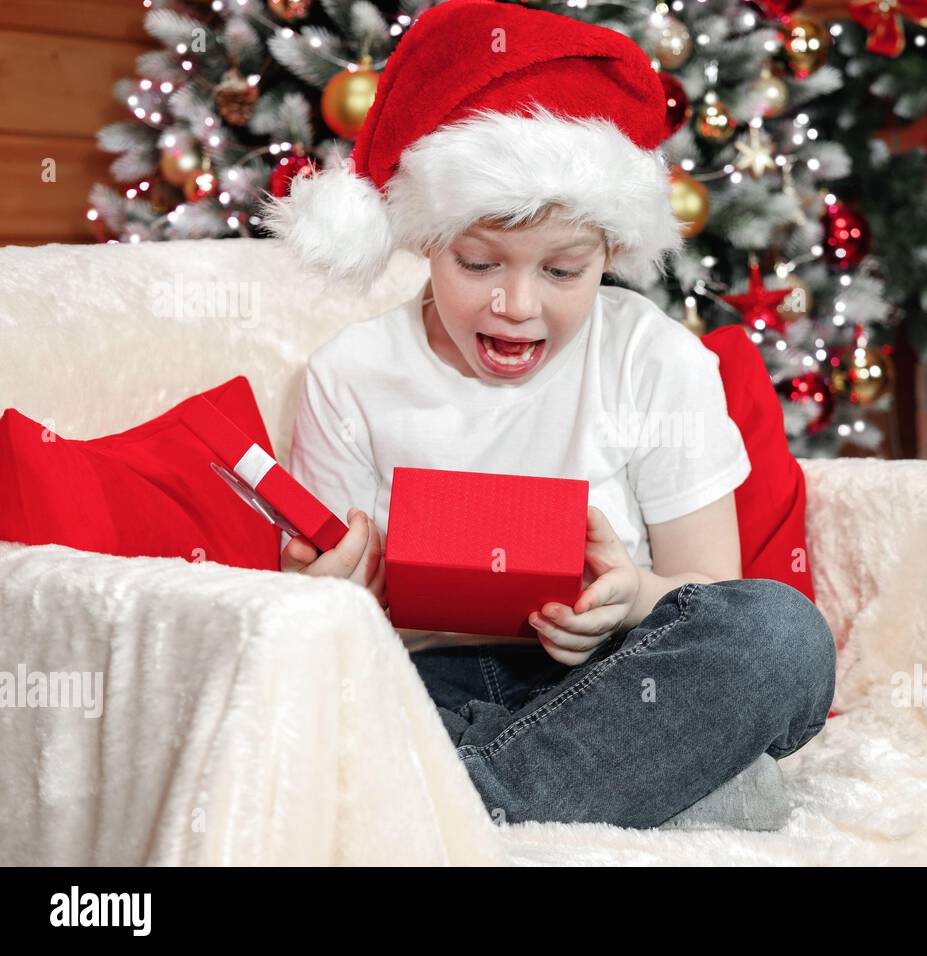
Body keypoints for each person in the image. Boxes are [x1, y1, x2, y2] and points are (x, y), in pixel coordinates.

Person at [263, 0, 834, 829]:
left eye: (563, 271)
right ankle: (543, 797)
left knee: (781, 636)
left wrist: (633, 596)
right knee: (312, 699)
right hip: (430, 690)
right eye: (478, 261)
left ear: (609, 253)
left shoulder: (656, 358)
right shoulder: (350, 375)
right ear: (426, 237)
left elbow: (712, 597)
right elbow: (331, 639)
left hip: (614, 683)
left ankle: (461, 805)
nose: (515, 304)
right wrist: (325, 590)